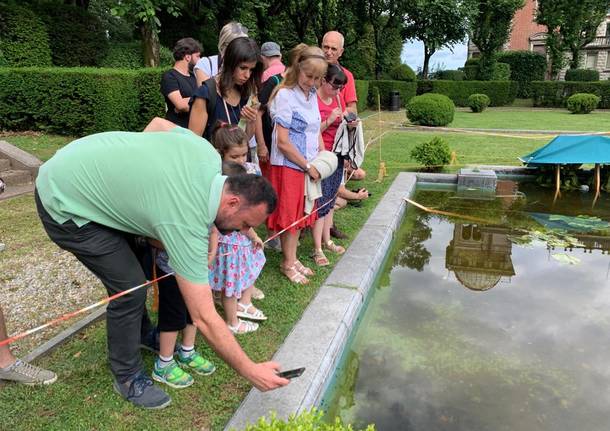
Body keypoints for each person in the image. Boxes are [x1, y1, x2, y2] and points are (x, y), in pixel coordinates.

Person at [34, 117, 289, 409]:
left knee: (138, 266)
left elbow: (157, 125)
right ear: (232, 202)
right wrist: (250, 369)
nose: (243, 233)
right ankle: (127, 376)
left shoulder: (205, 153)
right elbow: (204, 316)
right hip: (62, 200)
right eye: (244, 224)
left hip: (77, 160)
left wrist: (137, 181)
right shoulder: (185, 222)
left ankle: (141, 334)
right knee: (129, 288)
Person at [267, 44, 328, 285]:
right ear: (296, 69)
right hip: (289, 165)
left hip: (307, 164)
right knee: (291, 216)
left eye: (317, 78)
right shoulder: (284, 95)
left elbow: (314, 129)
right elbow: (282, 142)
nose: (312, 82)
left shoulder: (311, 94)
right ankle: (287, 263)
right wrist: (306, 165)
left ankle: (291, 258)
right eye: (308, 76)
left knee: (302, 211)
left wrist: (321, 155)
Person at [321, 31, 366, 236]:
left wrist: (349, 122)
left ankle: (329, 227)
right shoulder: (314, 70)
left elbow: (352, 107)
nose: (329, 51)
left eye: (333, 48)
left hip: (336, 142)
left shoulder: (346, 76)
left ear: (341, 51)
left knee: (332, 187)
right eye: (326, 47)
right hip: (317, 140)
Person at [188, 37, 261, 142]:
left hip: (241, 157)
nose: (247, 75)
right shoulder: (206, 93)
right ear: (230, 63)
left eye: (251, 70)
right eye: (243, 68)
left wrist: (250, 121)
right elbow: (193, 142)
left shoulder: (246, 92)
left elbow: (244, 140)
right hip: (212, 157)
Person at [311, 64, 348, 266]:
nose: (337, 91)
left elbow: (340, 123)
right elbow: (313, 129)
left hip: (337, 153)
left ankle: (327, 240)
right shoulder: (313, 99)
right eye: (334, 86)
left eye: (340, 88)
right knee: (321, 201)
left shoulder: (337, 98)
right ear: (324, 80)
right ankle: (316, 248)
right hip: (322, 156)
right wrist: (330, 119)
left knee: (331, 199)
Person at [160, 38, 202, 128]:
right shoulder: (169, 76)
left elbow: (206, 101)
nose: (200, 60)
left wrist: (188, 101)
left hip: (195, 130)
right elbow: (181, 105)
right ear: (187, 57)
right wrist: (198, 101)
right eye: (198, 56)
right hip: (177, 130)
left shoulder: (195, 76)